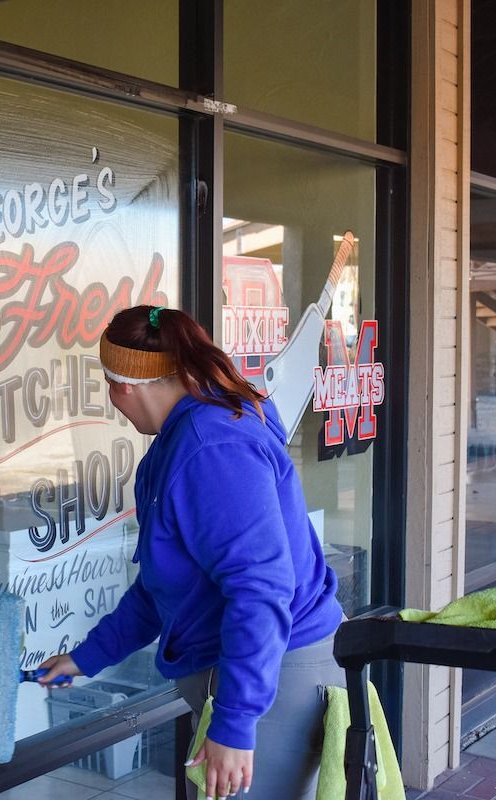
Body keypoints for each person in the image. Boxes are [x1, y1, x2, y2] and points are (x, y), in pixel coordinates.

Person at [36, 305, 344, 800]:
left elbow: (260, 587)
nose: (113, 403)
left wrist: (237, 722)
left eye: (109, 389)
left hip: (272, 679)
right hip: (252, 673)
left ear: (124, 386)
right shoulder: (184, 436)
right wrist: (87, 657)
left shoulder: (212, 446)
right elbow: (165, 583)